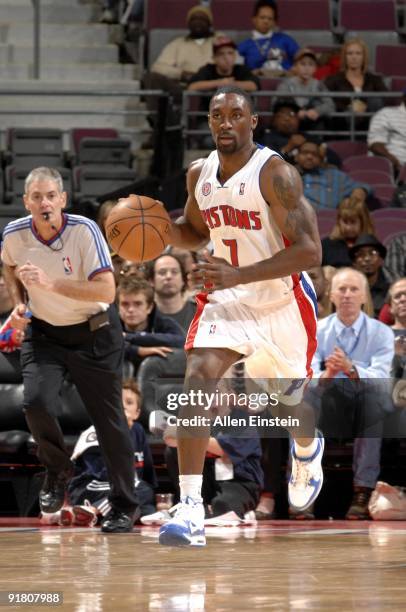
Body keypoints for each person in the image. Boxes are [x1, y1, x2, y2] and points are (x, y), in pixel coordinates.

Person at [157, 85, 324, 547]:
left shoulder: (277, 175)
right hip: (226, 299)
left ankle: (308, 451)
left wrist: (238, 274)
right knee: (198, 375)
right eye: (217, 115)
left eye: (235, 115)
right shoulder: (199, 174)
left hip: (282, 301)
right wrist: (157, 233)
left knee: (288, 406)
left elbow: (311, 251)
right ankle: (189, 505)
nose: (225, 123)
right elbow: (194, 231)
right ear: (208, 122)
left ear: (252, 122)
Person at [0, 167, 137, 533]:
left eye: (50, 196)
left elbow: (107, 293)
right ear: (26, 201)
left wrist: (50, 284)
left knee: (110, 425)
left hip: (95, 336)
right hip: (45, 335)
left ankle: (125, 507)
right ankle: (58, 469)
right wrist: (21, 303)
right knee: (36, 402)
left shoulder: (85, 230)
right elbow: (9, 265)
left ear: (62, 199)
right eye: (36, 197)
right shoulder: (14, 234)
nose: (44, 203)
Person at [309, 268, 394, 518]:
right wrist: (328, 374)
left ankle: (362, 490)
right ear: (332, 295)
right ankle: (303, 484)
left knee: (371, 401)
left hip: (365, 399)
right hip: (328, 400)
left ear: (364, 297)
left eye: (354, 289)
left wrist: (351, 368)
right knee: (303, 400)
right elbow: (307, 373)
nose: (347, 295)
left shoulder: (381, 332)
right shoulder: (316, 329)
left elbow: (381, 379)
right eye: (342, 289)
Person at [65, 378, 157, 526]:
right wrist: (119, 434)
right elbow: (100, 473)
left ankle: (90, 513)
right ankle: (96, 511)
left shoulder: (138, 431)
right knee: (129, 495)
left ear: (137, 413)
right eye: (117, 401)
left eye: (129, 402)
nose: (123, 406)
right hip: (90, 485)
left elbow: (147, 471)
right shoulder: (95, 431)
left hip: (125, 486)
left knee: (145, 492)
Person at [117, 277, 185, 374]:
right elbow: (106, 345)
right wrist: (138, 350)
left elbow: (182, 342)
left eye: (137, 304)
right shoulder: (111, 325)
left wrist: (131, 337)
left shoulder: (163, 323)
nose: (131, 309)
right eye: (125, 304)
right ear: (118, 307)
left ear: (149, 307)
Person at [325, 38, 387, 133]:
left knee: (376, 101)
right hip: (343, 124)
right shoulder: (333, 80)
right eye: (350, 53)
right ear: (344, 57)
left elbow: (385, 98)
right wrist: (349, 107)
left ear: (364, 57)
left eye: (358, 53)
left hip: (370, 123)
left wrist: (363, 107)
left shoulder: (375, 79)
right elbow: (327, 101)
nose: (354, 57)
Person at [295, 140, 372, 209]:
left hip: (325, 220)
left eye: (315, 154)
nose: (309, 157)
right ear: (296, 157)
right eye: (305, 153)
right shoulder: (287, 174)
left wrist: (361, 190)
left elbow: (363, 186)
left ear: (320, 158)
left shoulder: (334, 176)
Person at [274, 48, 334, 131]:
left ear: (315, 68)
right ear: (295, 66)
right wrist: (296, 111)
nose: (307, 68)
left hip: (312, 124)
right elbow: (276, 103)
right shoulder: (286, 84)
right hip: (290, 124)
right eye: (303, 64)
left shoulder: (319, 85)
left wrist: (317, 111)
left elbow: (330, 105)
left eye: (310, 64)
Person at [237, 0, 299, 76]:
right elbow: (238, 72)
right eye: (262, 17)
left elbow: (302, 59)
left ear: (275, 22)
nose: (266, 21)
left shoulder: (285, 40)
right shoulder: (244, 46)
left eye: (270, 19)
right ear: (254, 19)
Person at [147, 253, 196, 333]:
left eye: (174, 272)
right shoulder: (142, 314)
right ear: (151, 281)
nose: (169, 276)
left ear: (183, 279)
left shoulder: (200, 312)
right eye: (162, 272)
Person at [321, 197, 376, 268]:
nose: (348, 228)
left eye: (353, 222)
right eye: (345, 222)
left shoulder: (372, 246)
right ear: (338, 221)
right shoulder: (326, 245)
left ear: (363, 222)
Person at [350, 234, 391, 318]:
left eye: (373, 253)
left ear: (381, 260)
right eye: (360, 254)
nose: (367, 258)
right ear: (354, 262)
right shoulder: (348, 292)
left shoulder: (390, 291)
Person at [367, 90, 406, 173]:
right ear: (403, 98)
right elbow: (375, 145)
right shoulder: (386, 113)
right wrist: (393, 160)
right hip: (394, 165)